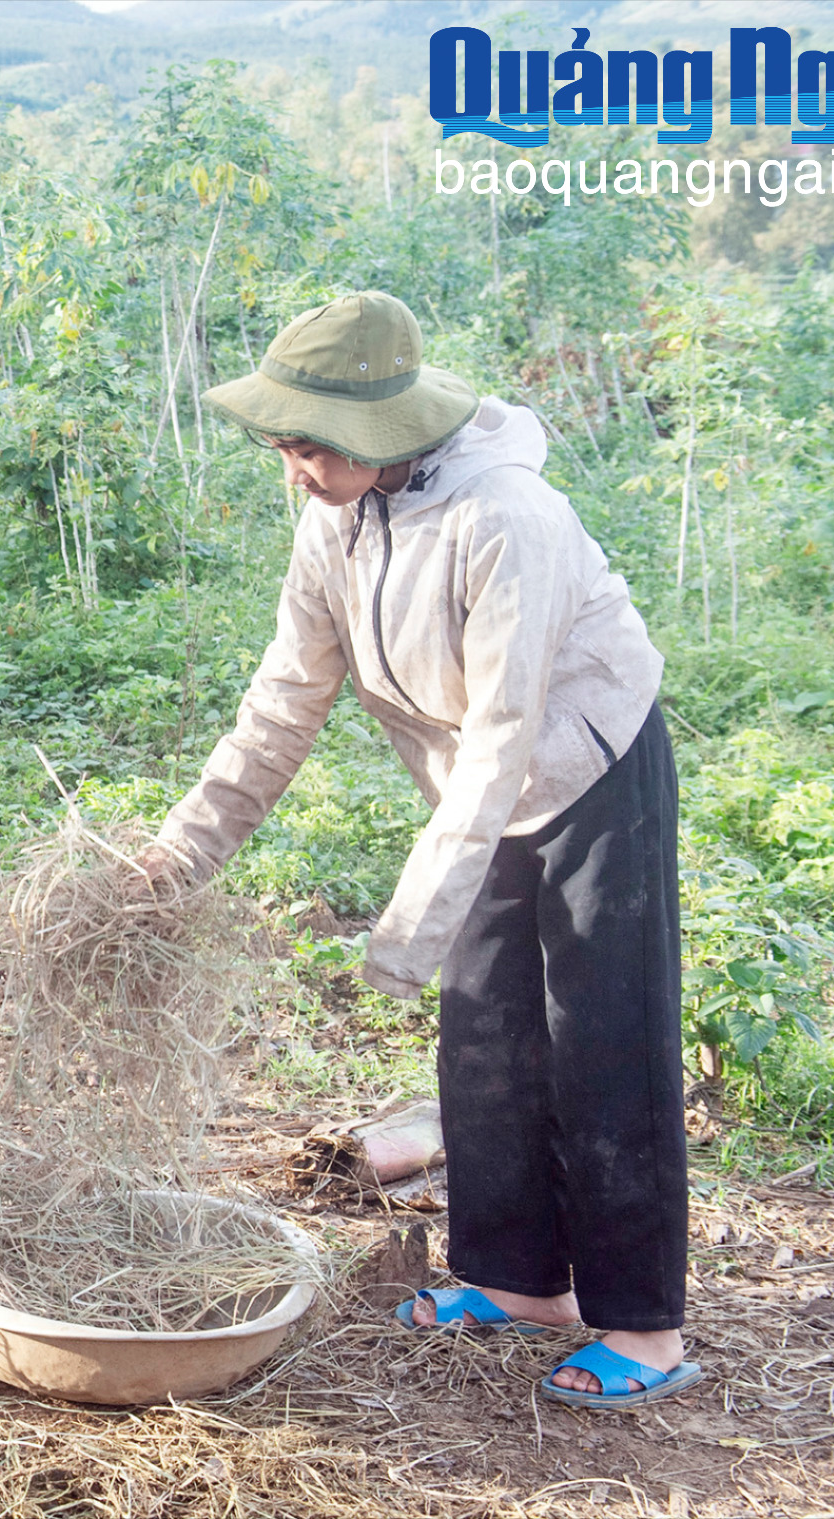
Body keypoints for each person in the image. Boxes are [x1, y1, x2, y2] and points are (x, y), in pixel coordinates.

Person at [143, 291, 698, 1409]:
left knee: (603, 1037)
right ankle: (515, 1279)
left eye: (309, 444)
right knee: (485, 1029)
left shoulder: (508, 519)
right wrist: (172, 860)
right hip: (473, 793)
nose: (293, 467)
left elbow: (505, 734)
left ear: (383, 431)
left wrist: (405, 929)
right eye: (282, 444)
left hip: (588, 771)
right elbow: (283, 700)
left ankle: (645, 1327)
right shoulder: (333, 520)